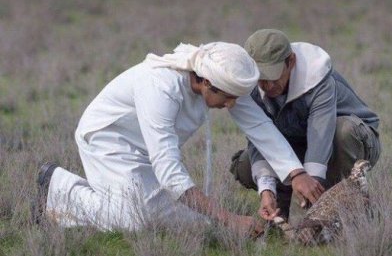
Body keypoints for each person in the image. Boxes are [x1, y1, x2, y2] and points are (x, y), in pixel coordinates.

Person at [33, 42, 311, 236]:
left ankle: (100, 199)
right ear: (204, 82)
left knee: (188, 222)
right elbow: (169, 171)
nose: (231, 105)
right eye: (226, 98)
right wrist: (229, 219)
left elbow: (260, 127)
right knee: (133, 222)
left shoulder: (220, 76)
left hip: (146, 151)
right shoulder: (160, 88)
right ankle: (58, 186)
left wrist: (295, 172)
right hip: (107, 140)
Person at [230, 29, 381, 225]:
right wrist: (267, 190)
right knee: (245, 164)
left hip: (351, 142)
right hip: (300, 145)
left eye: (273, 76)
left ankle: (336, 205)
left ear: (291, 62)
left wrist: (306, 211)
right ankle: (281, 205)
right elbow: (260, 138)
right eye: (260, 78)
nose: (266, 85)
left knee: (343, 130)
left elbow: (320, 140)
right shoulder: (251, 85)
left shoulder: (317, 77)